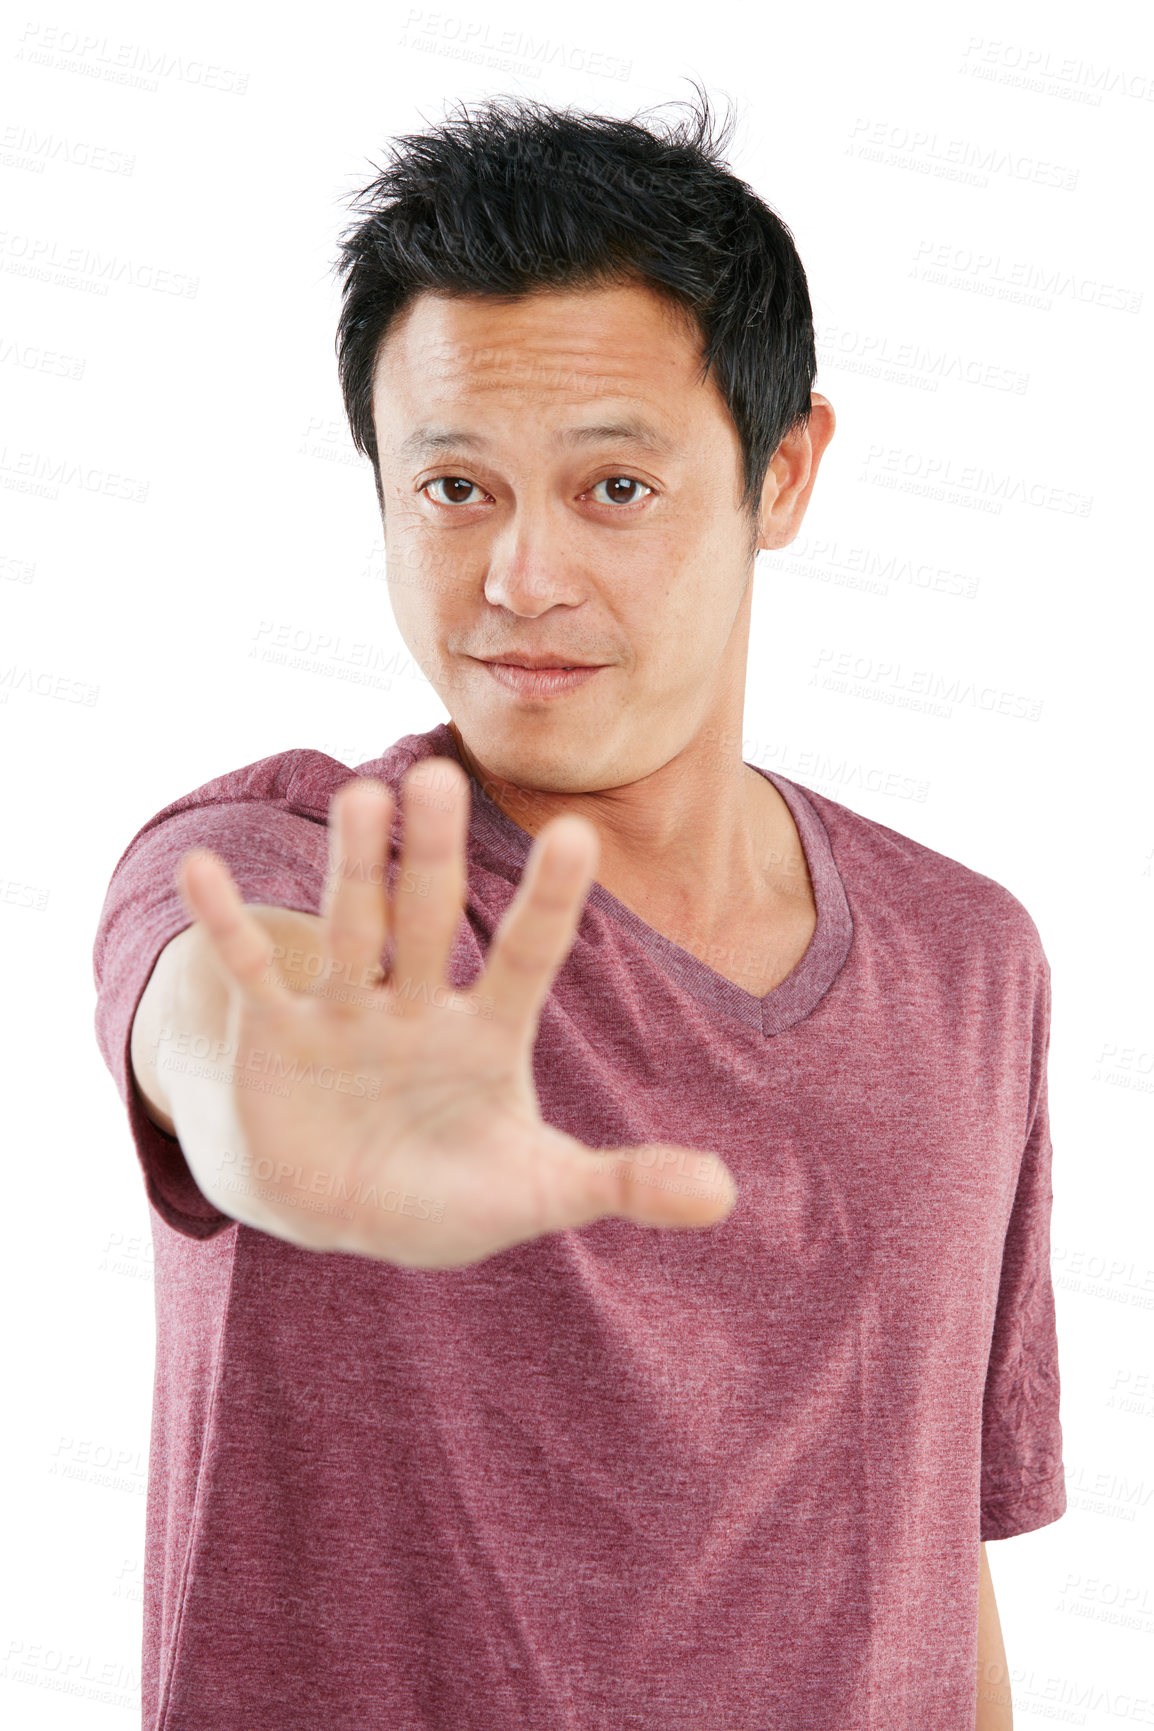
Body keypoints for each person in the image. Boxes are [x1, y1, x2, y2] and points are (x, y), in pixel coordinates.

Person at [93, 85, 1062, 1731]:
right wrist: (286, 1121)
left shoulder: (969, 962)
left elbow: (931, 1558)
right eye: (455, 487)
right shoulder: (284, 867)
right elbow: (229, 1031)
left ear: (784, 471)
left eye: (613, 489)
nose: (521, 578)